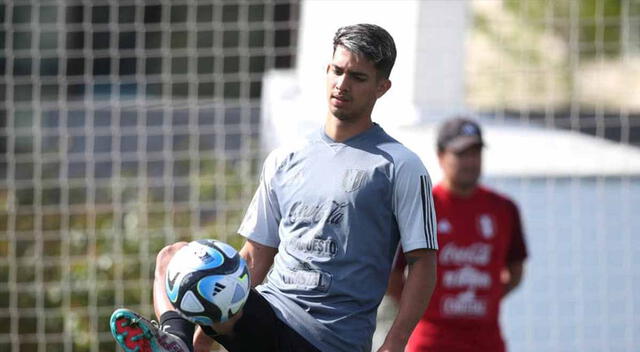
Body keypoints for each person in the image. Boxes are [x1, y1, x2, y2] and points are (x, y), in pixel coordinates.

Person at [110, 24, 438, 352]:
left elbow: (423, 262)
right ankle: (175, 344)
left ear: (382, 87)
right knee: (173, 258)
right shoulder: (286, 158)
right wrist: (199, 343)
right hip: (268, 315)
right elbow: (253, 257)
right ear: (327, 69)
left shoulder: (400, 165)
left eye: (358, 77)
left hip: (330, 339)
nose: (342, 84)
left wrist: (395, 342)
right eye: (337, 71)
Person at [387, 117, 528, 352]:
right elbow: (393, 277)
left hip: (487, 341)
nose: (470, 162)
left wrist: (481, 301)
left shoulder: (503, 208)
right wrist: (421, 308)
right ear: (441, 156)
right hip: (431, 341)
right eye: (461, 154)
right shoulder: (422, 206)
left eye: (475, 153)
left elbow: (515, 272)